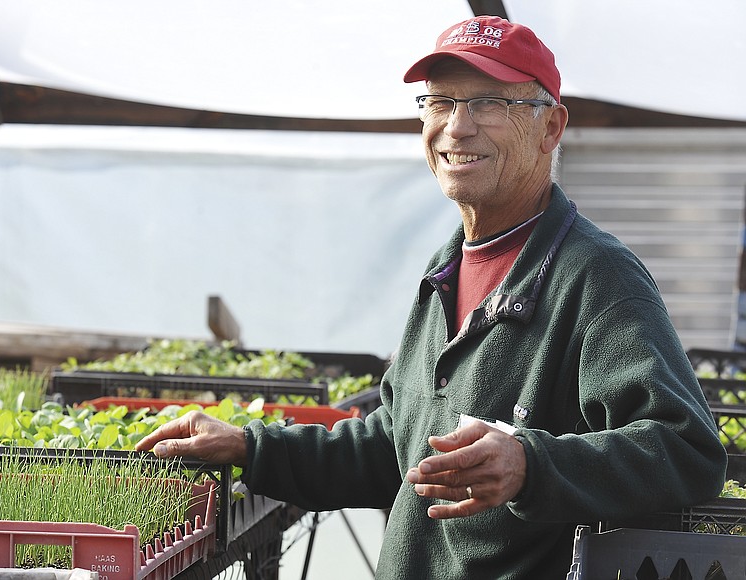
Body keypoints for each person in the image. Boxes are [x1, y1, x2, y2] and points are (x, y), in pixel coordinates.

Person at [136, 15, 727, 579]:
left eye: (489, 104)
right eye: (439, 102)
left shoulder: (598, 278)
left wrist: (529, 464)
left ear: (550, 127)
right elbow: (391, 449)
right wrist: (247, 445)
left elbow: (687, 451)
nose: (457, 126)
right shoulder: (445, 270)